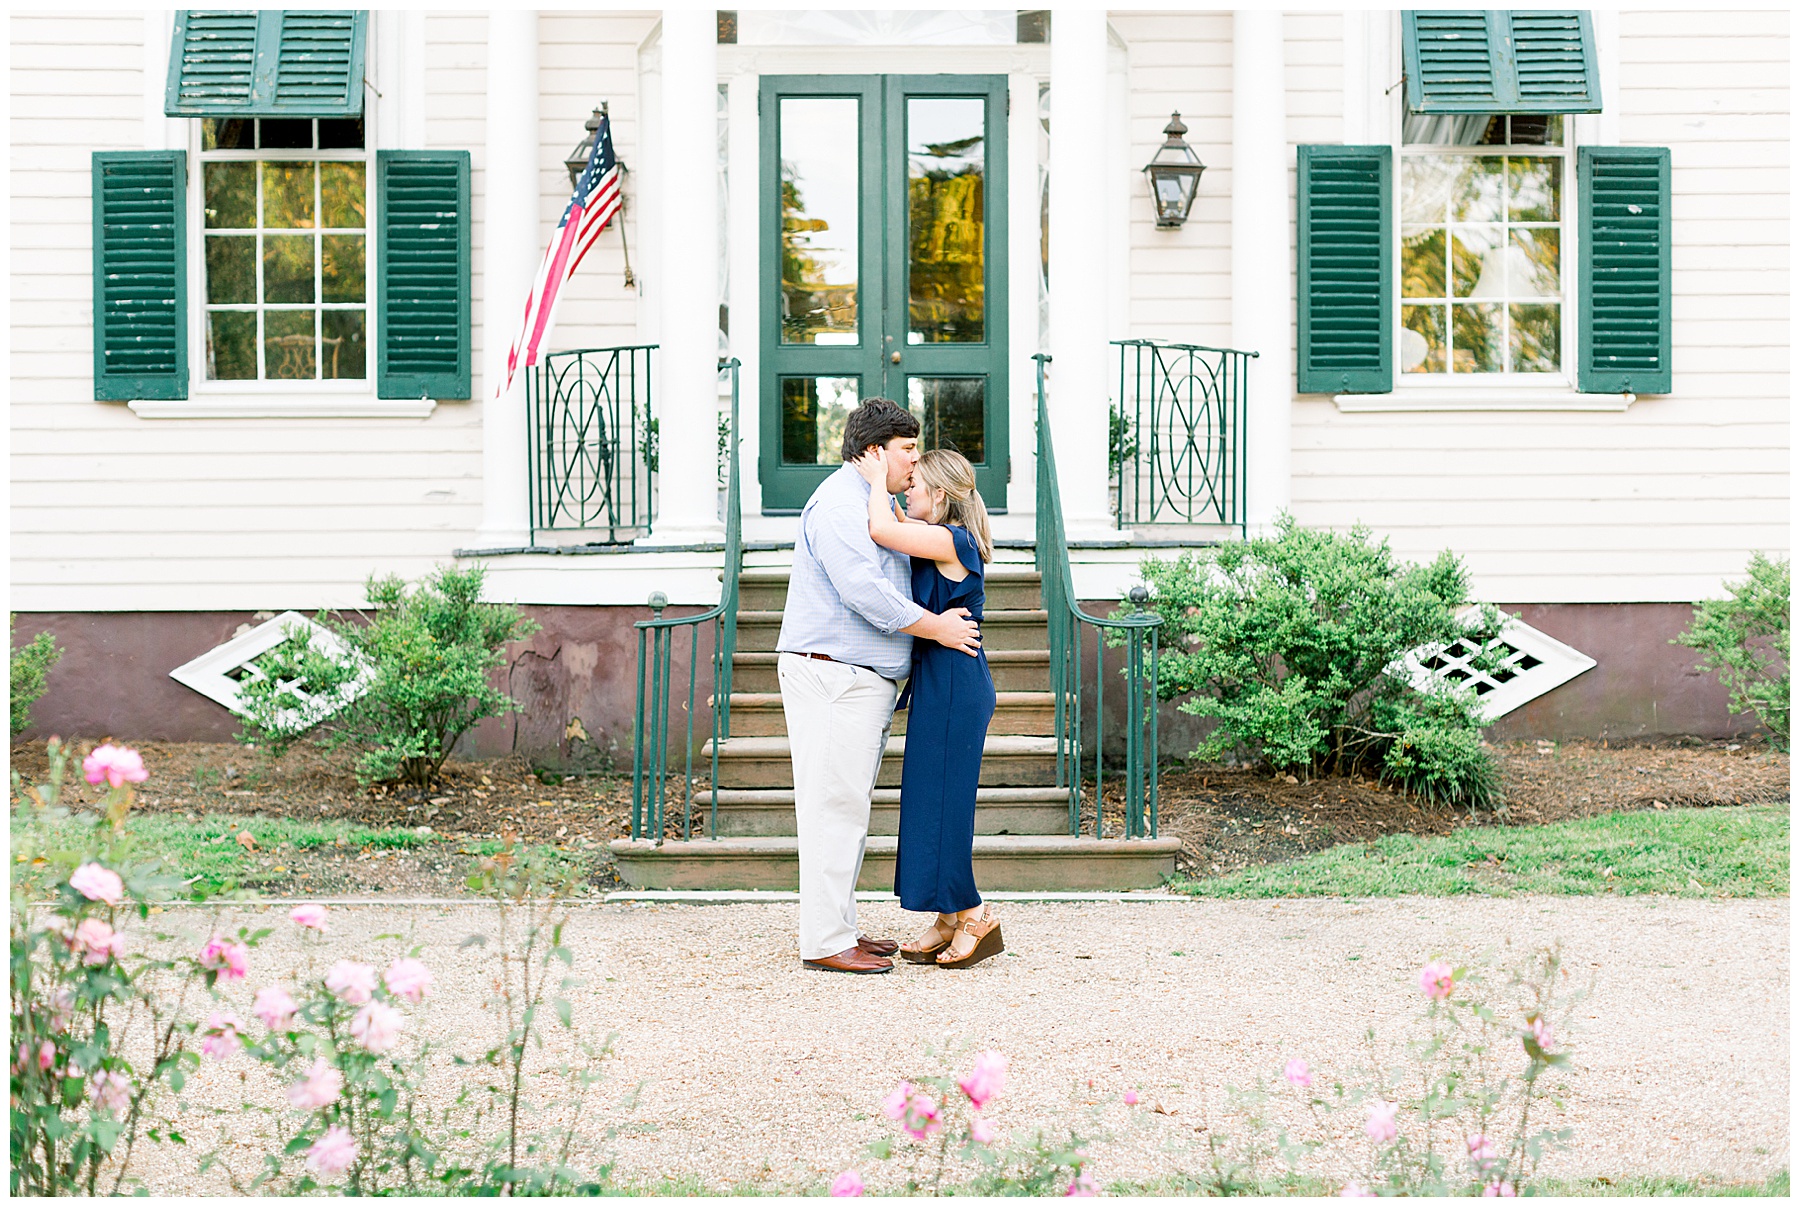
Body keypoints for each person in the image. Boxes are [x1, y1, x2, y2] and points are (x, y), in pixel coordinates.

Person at [775, 398, 983, 975]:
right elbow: (864, 591)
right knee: (831, 807)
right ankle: (823, 941)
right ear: (873, 452)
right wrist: (934, 626)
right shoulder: (840, 507)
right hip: (833, 675)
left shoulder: (873, 504)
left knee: (846, 807)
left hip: (858, 680)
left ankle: (838, 929)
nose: (914, 462)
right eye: (907, 449)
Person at [851, 446, 1004, 969]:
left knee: (947, 806)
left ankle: (975, 915)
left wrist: (874, 478)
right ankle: (945, 917)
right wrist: (888, 489)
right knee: (926, 801)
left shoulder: (949, 539)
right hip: (940, 682)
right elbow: (895, 521)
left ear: (939, 496)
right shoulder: (937, 534)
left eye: (913, 484)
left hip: (958, 686)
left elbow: (880, 529)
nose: (904, 489)